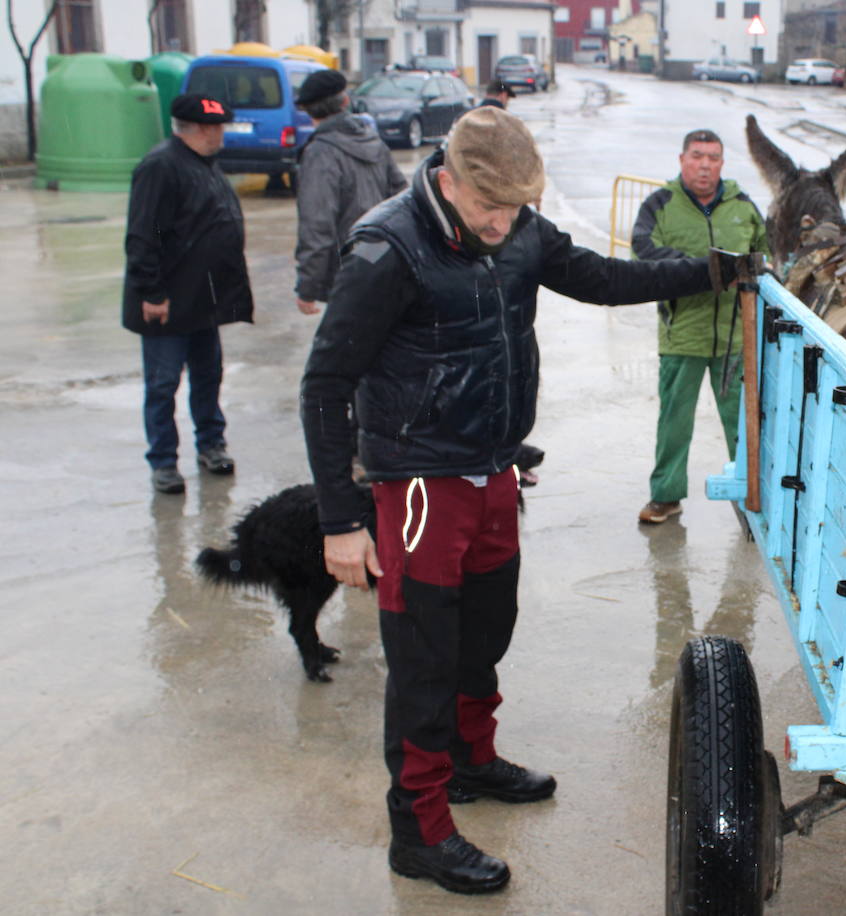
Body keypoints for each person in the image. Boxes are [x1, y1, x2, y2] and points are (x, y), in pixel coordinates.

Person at [299, 106, 733, 895]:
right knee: (424, 658)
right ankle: (420, 828)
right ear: (448, 177)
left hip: (493, 467)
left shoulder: (522, 229)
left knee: (487, 627)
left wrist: (708, 268)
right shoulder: (389, 246)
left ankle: (471, 756)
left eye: (514, 208)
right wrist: (340, 520)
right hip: (422, 480)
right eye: (487, 207)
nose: (502, 224)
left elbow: (602, 279)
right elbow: (325, 385)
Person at [631, 127, 769, 524]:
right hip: (683, 333)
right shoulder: (661, 204)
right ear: (682, 160)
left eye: (713, 157)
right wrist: (700, 271)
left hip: (735, 336)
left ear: (722, 163)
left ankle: (750, 496)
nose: (704, 165)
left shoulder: (742, 205)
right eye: (697, 156)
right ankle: (666, 495)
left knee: (742, 423)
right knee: (675, 421)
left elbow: (769, 253)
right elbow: (643, 249)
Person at [122, 93, 253, 495]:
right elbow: (144, 235)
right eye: (216, 129)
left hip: (202, 300)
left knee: (208, 375)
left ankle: (211, 444)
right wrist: (152, 293)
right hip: (168, 302)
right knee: (163, 385)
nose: (221, 135)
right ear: (198, 130)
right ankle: (163, 462)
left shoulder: (204, 164)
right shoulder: (161, 167)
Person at [293, 69, 406, 316]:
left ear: (308, 110)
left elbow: (317, 224)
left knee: (346, 346)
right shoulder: (373, 141)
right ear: (345, 102)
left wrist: (308, 287)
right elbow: (403, 201)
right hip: (381, 259)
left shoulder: (320, 153)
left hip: (347, 269)